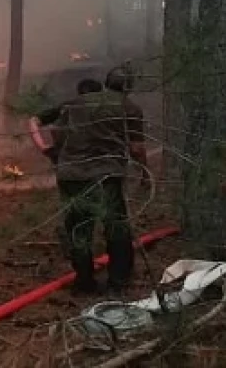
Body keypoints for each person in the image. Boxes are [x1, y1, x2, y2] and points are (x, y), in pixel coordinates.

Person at [49, 67, 147, 295]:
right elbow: (136, 147)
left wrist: (61, 154)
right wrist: (144, 172)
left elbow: (56, 131)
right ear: (128, 87)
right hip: (105, 176)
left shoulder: (77, 103)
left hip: (71, 175)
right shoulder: (130, 107)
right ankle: (118, 281)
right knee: (116, 226)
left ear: (107, 82)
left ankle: (84, 281)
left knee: (78, 228)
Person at [28, 78, 104, 161]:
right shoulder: (105, 110)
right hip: (94, 160)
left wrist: (43, 147)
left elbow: (33, 121)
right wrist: (43, 147)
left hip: (68, 160)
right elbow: (34, 120)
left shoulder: (67, 107)